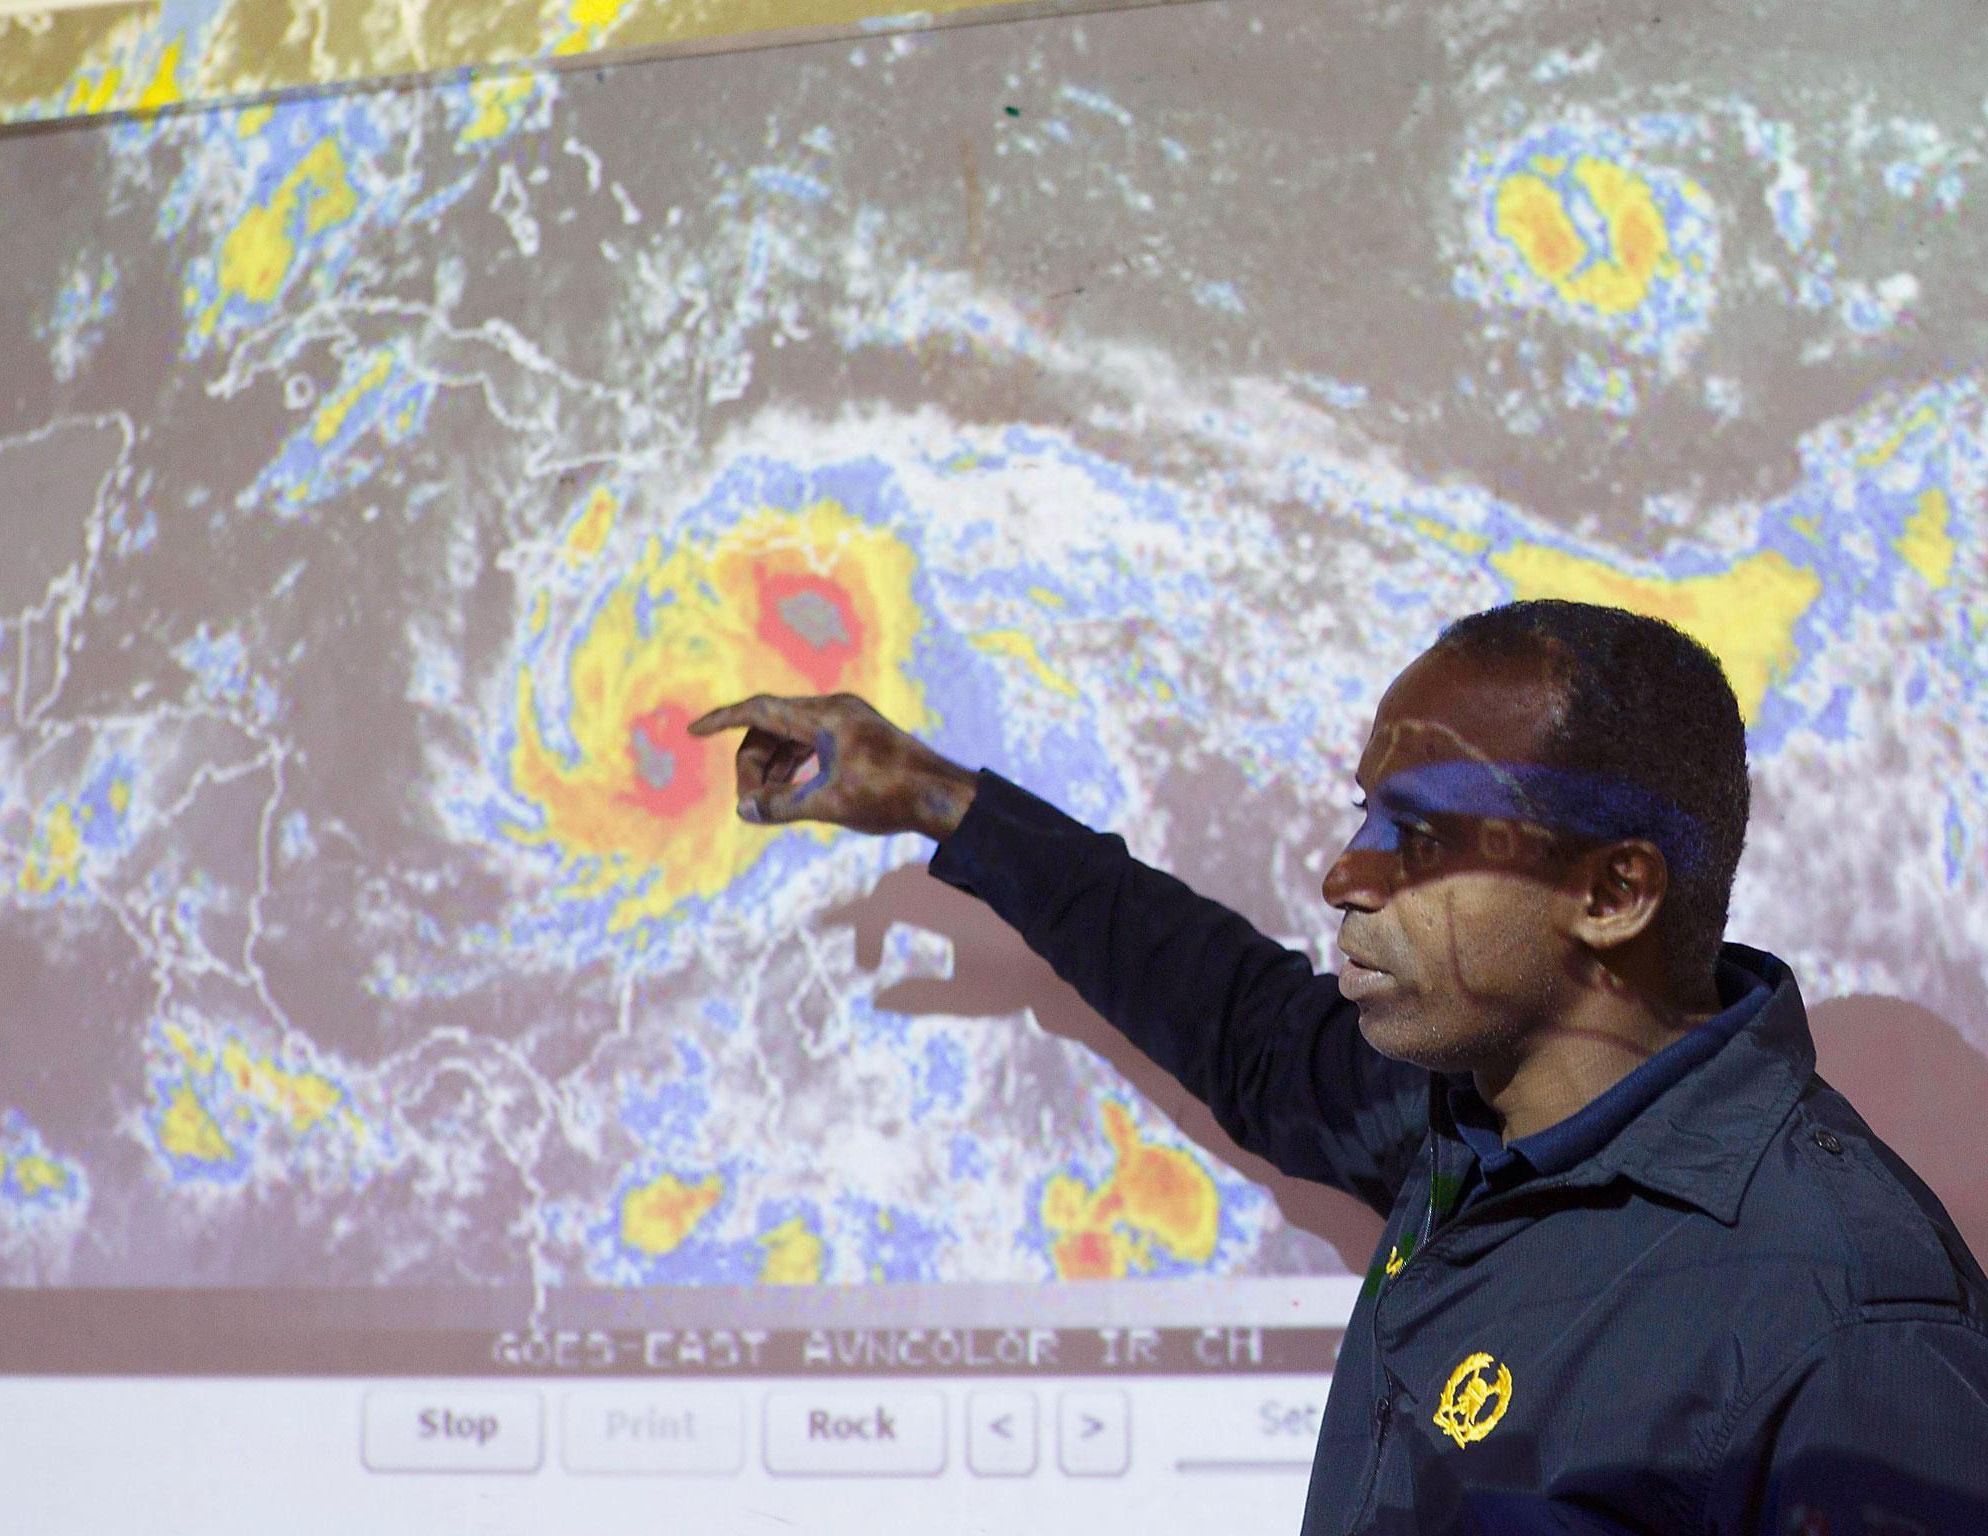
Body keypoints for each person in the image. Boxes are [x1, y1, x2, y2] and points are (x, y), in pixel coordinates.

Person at [689, 598, 1988, 1535]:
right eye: (1363, 812)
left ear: (1613, 892)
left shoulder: (1843, 1314)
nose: (1345, 873)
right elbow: (1248, 1024)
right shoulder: (1477, 1135)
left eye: (1416, 835)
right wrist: (930, 795)